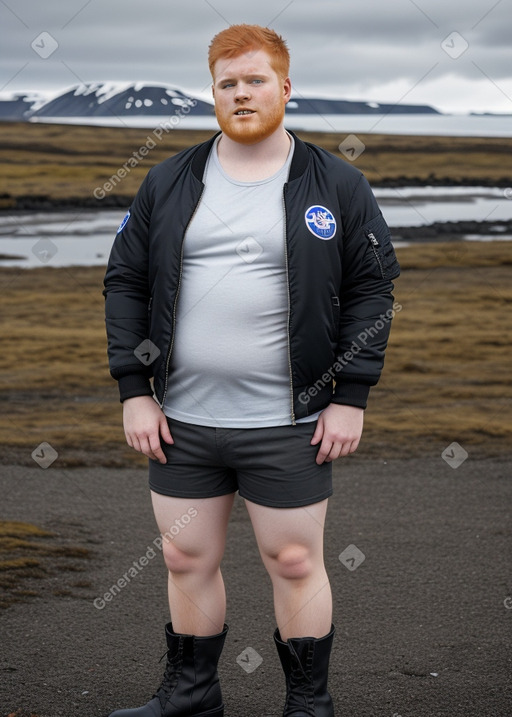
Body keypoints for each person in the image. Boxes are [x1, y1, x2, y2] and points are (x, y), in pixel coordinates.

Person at [103, 23, 400, 717]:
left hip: (291, 423)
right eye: (227, 83)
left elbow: (374, 287)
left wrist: (351, 395)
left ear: (285, 88)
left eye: (255, 80)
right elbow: (126, 279)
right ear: (213, 93)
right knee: (183, 559)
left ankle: (308, 703)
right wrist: (133, 389)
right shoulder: (170, 179)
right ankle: (192, 695)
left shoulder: (339, 183)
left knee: (295, 561)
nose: (241, 93)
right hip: (182, 421)